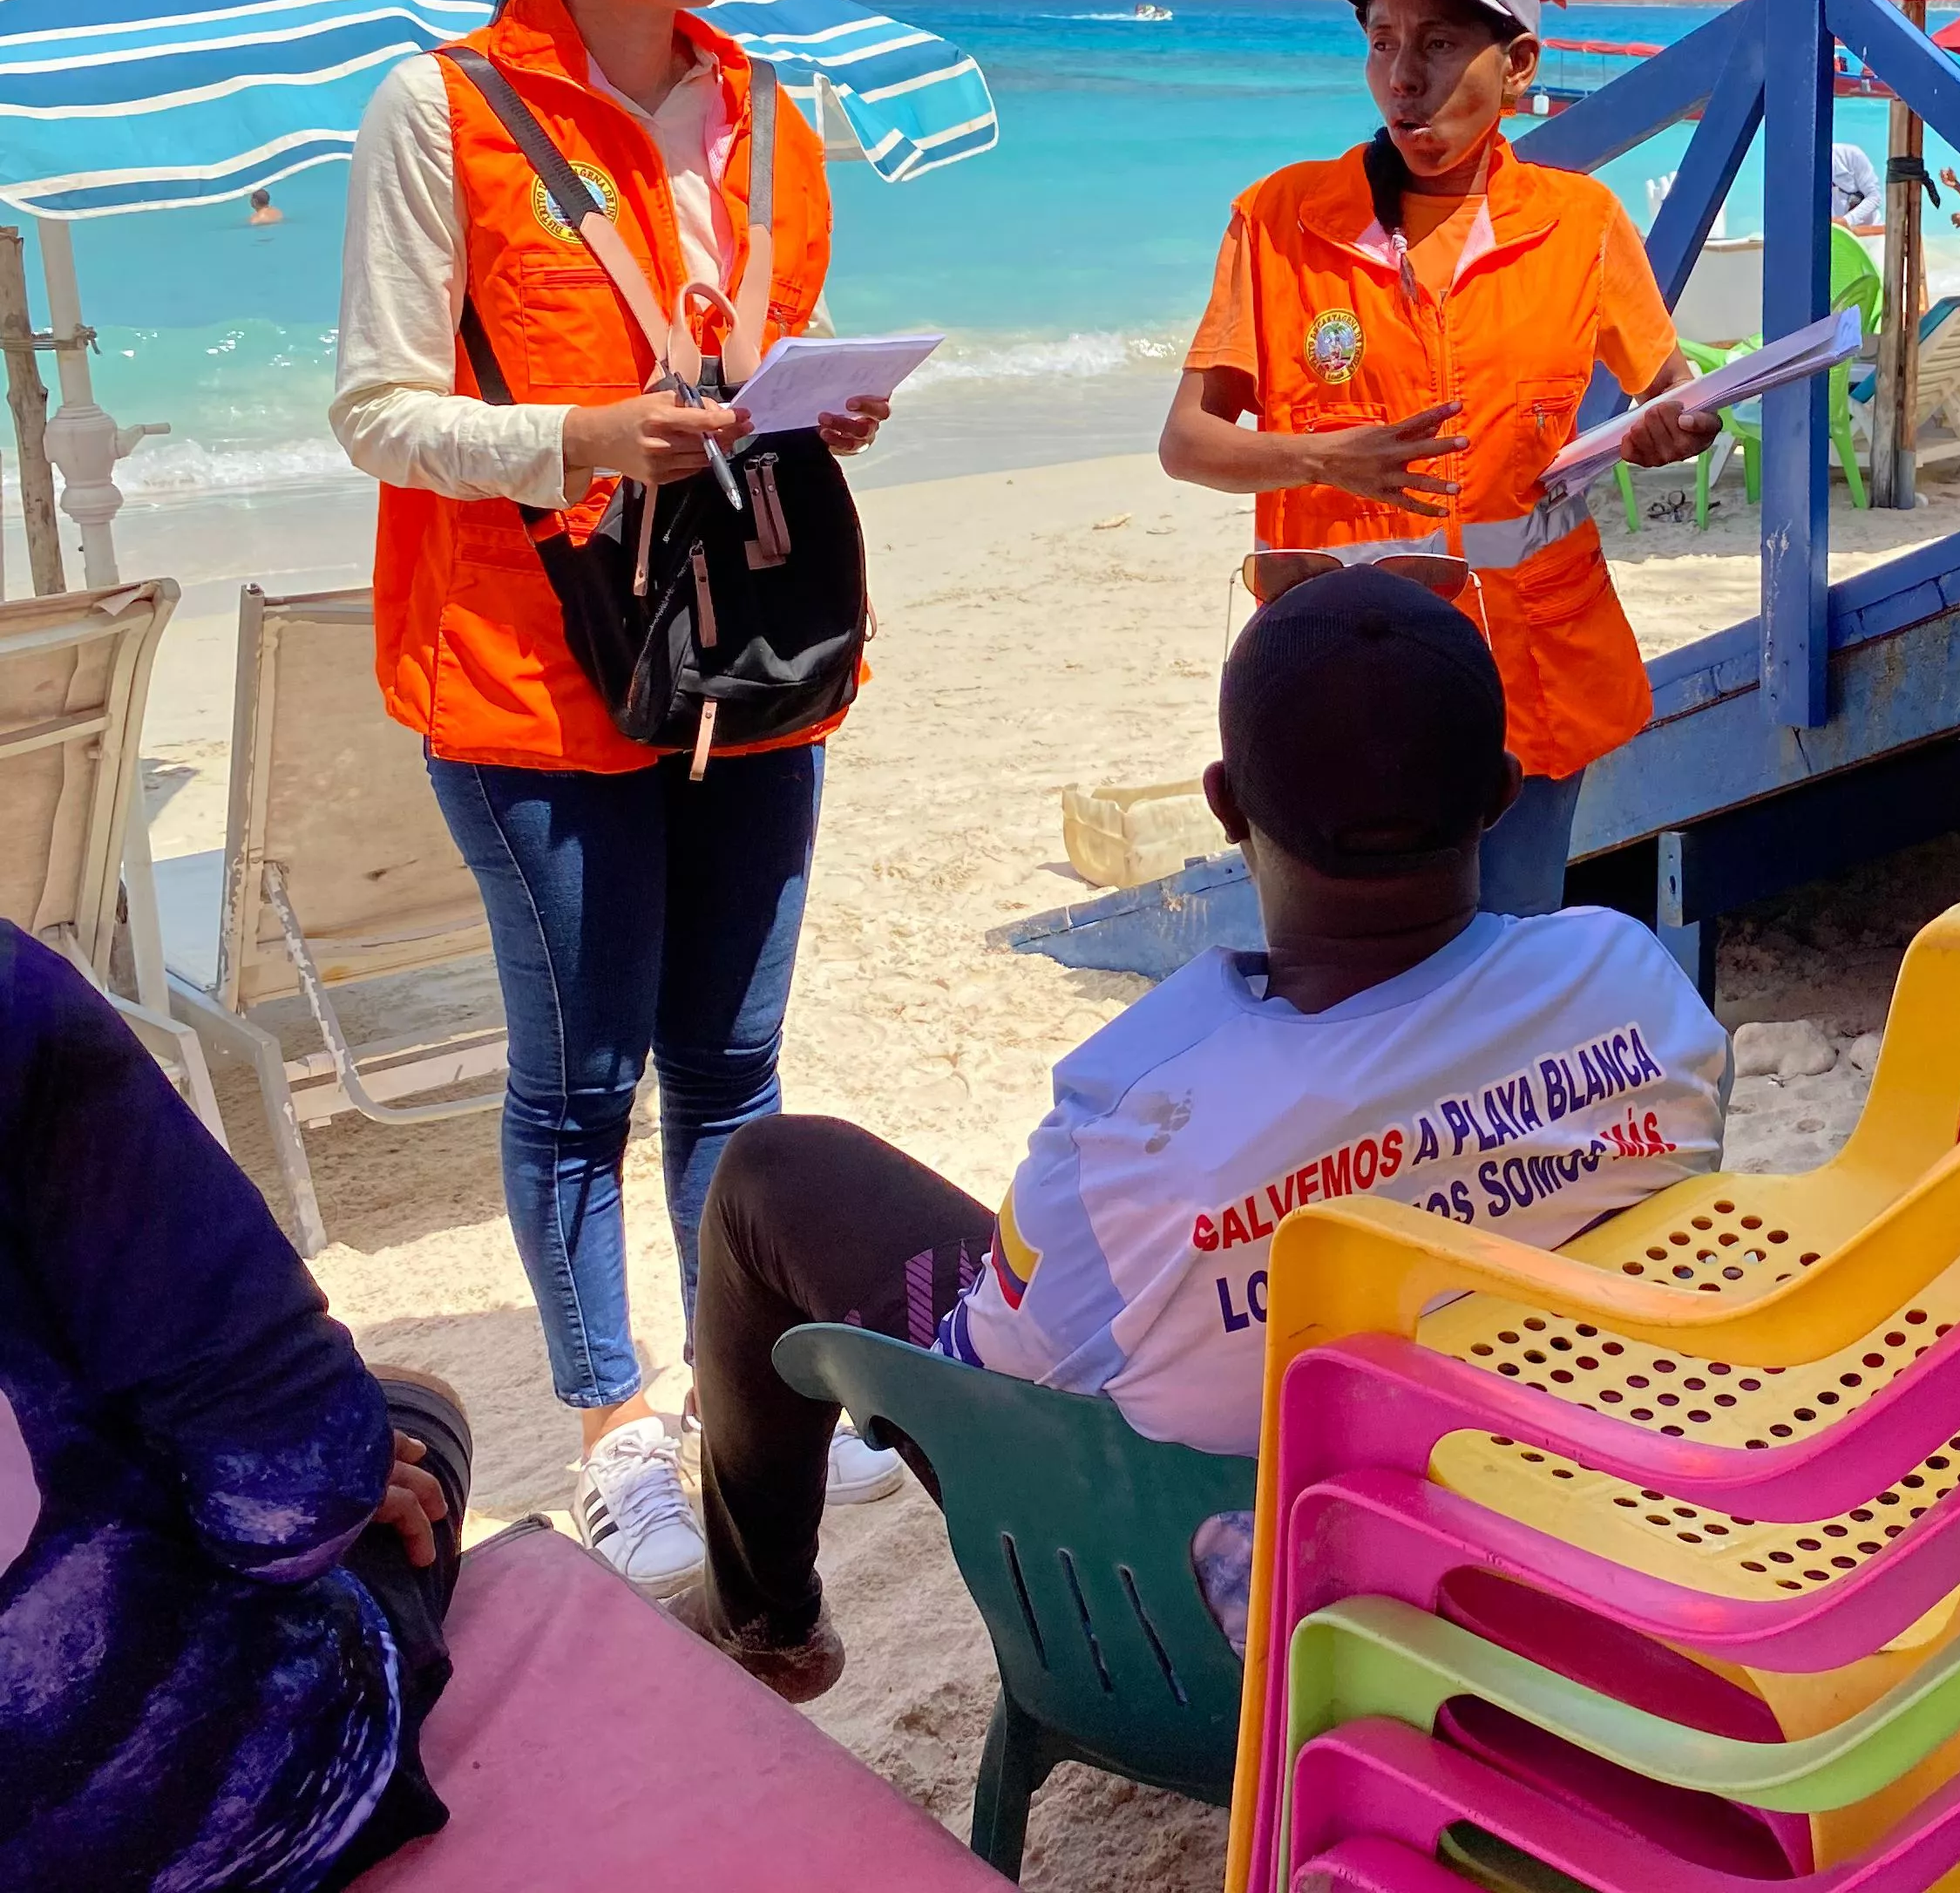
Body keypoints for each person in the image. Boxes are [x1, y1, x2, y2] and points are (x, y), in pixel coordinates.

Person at [667, 567, 1729, 1697]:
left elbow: (993, 1381)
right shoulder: (1633, 985)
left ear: (1224, 806)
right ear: (1504, 793)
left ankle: (762, 1618)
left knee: (775, 1172)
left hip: (1213, 1629)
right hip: (1572, 1532)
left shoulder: (1140, 1102)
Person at [329, 0, 900, 1601]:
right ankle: (613, 1433)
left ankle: (749, 1410)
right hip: (526, 670)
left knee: (731, 1066)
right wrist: (585, 436)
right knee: (581, 1080)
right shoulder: (443, 114)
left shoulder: (765, 112)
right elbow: (379, 412)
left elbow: (742, 363)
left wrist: (803, 416)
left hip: (748, 656)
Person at [1159, 0, 1720, 914]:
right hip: (1338, 667)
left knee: (1508, 951)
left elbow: (1667, 396)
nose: (1402, 77)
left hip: (1530, 663)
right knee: (1357, 969)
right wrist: (1326, 461)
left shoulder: (1579, 225)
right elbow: (1189, 444)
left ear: (1517, 67)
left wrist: (1669, 431)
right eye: (1382, 42)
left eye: (1439, 44)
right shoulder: (1282, 221)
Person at [0, 925, 472, 1891]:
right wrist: (327, 1458)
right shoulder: (12, 1001)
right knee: (412, 1424)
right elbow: (293, 1496)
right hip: (202, 1810)